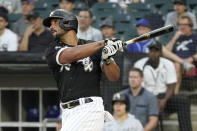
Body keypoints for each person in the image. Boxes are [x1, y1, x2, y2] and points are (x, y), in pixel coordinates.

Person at [43, 9, 123, 130]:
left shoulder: (94, 47)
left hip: (88, 107)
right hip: (67, 112)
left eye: (55, 22)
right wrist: (103, 43)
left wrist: (107, 59)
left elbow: (114, 76)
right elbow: (71, 54)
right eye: (50, 24)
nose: (51, 27)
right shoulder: (52, 49)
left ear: (67, 23)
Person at [134, 41, 193, 131]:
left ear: (161, 53)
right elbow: (138, 87)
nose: (153, 53)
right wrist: (152, 101)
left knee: (182, 101)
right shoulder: (139, 64)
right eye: (151, 51)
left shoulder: (168, 64)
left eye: (156, 51)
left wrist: (164, 100)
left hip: (164, 97)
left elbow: (171, 86)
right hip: (146, 97)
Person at [126, 18, 194, 78]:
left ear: (149, 30)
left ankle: (183, 63)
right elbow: (128, 58)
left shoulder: (153, 41)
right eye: (139, 29)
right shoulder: (133, 43)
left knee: (160, 48)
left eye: (144, 29)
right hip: (137, 67)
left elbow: (161, 54)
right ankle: (183, 62)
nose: (141, 31)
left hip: (151, 65)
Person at [166, 14, 197, 93]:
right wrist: (174, 38)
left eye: (185, 25)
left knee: (177, 64)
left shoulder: (195, 37)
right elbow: (166, 52)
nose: (182, 27)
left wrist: (191, 59)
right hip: (173, 62)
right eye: (180, 24)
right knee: (160, 48)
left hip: (188, 65)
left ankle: (174, 95)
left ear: (190, 26)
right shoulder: (176, 37)